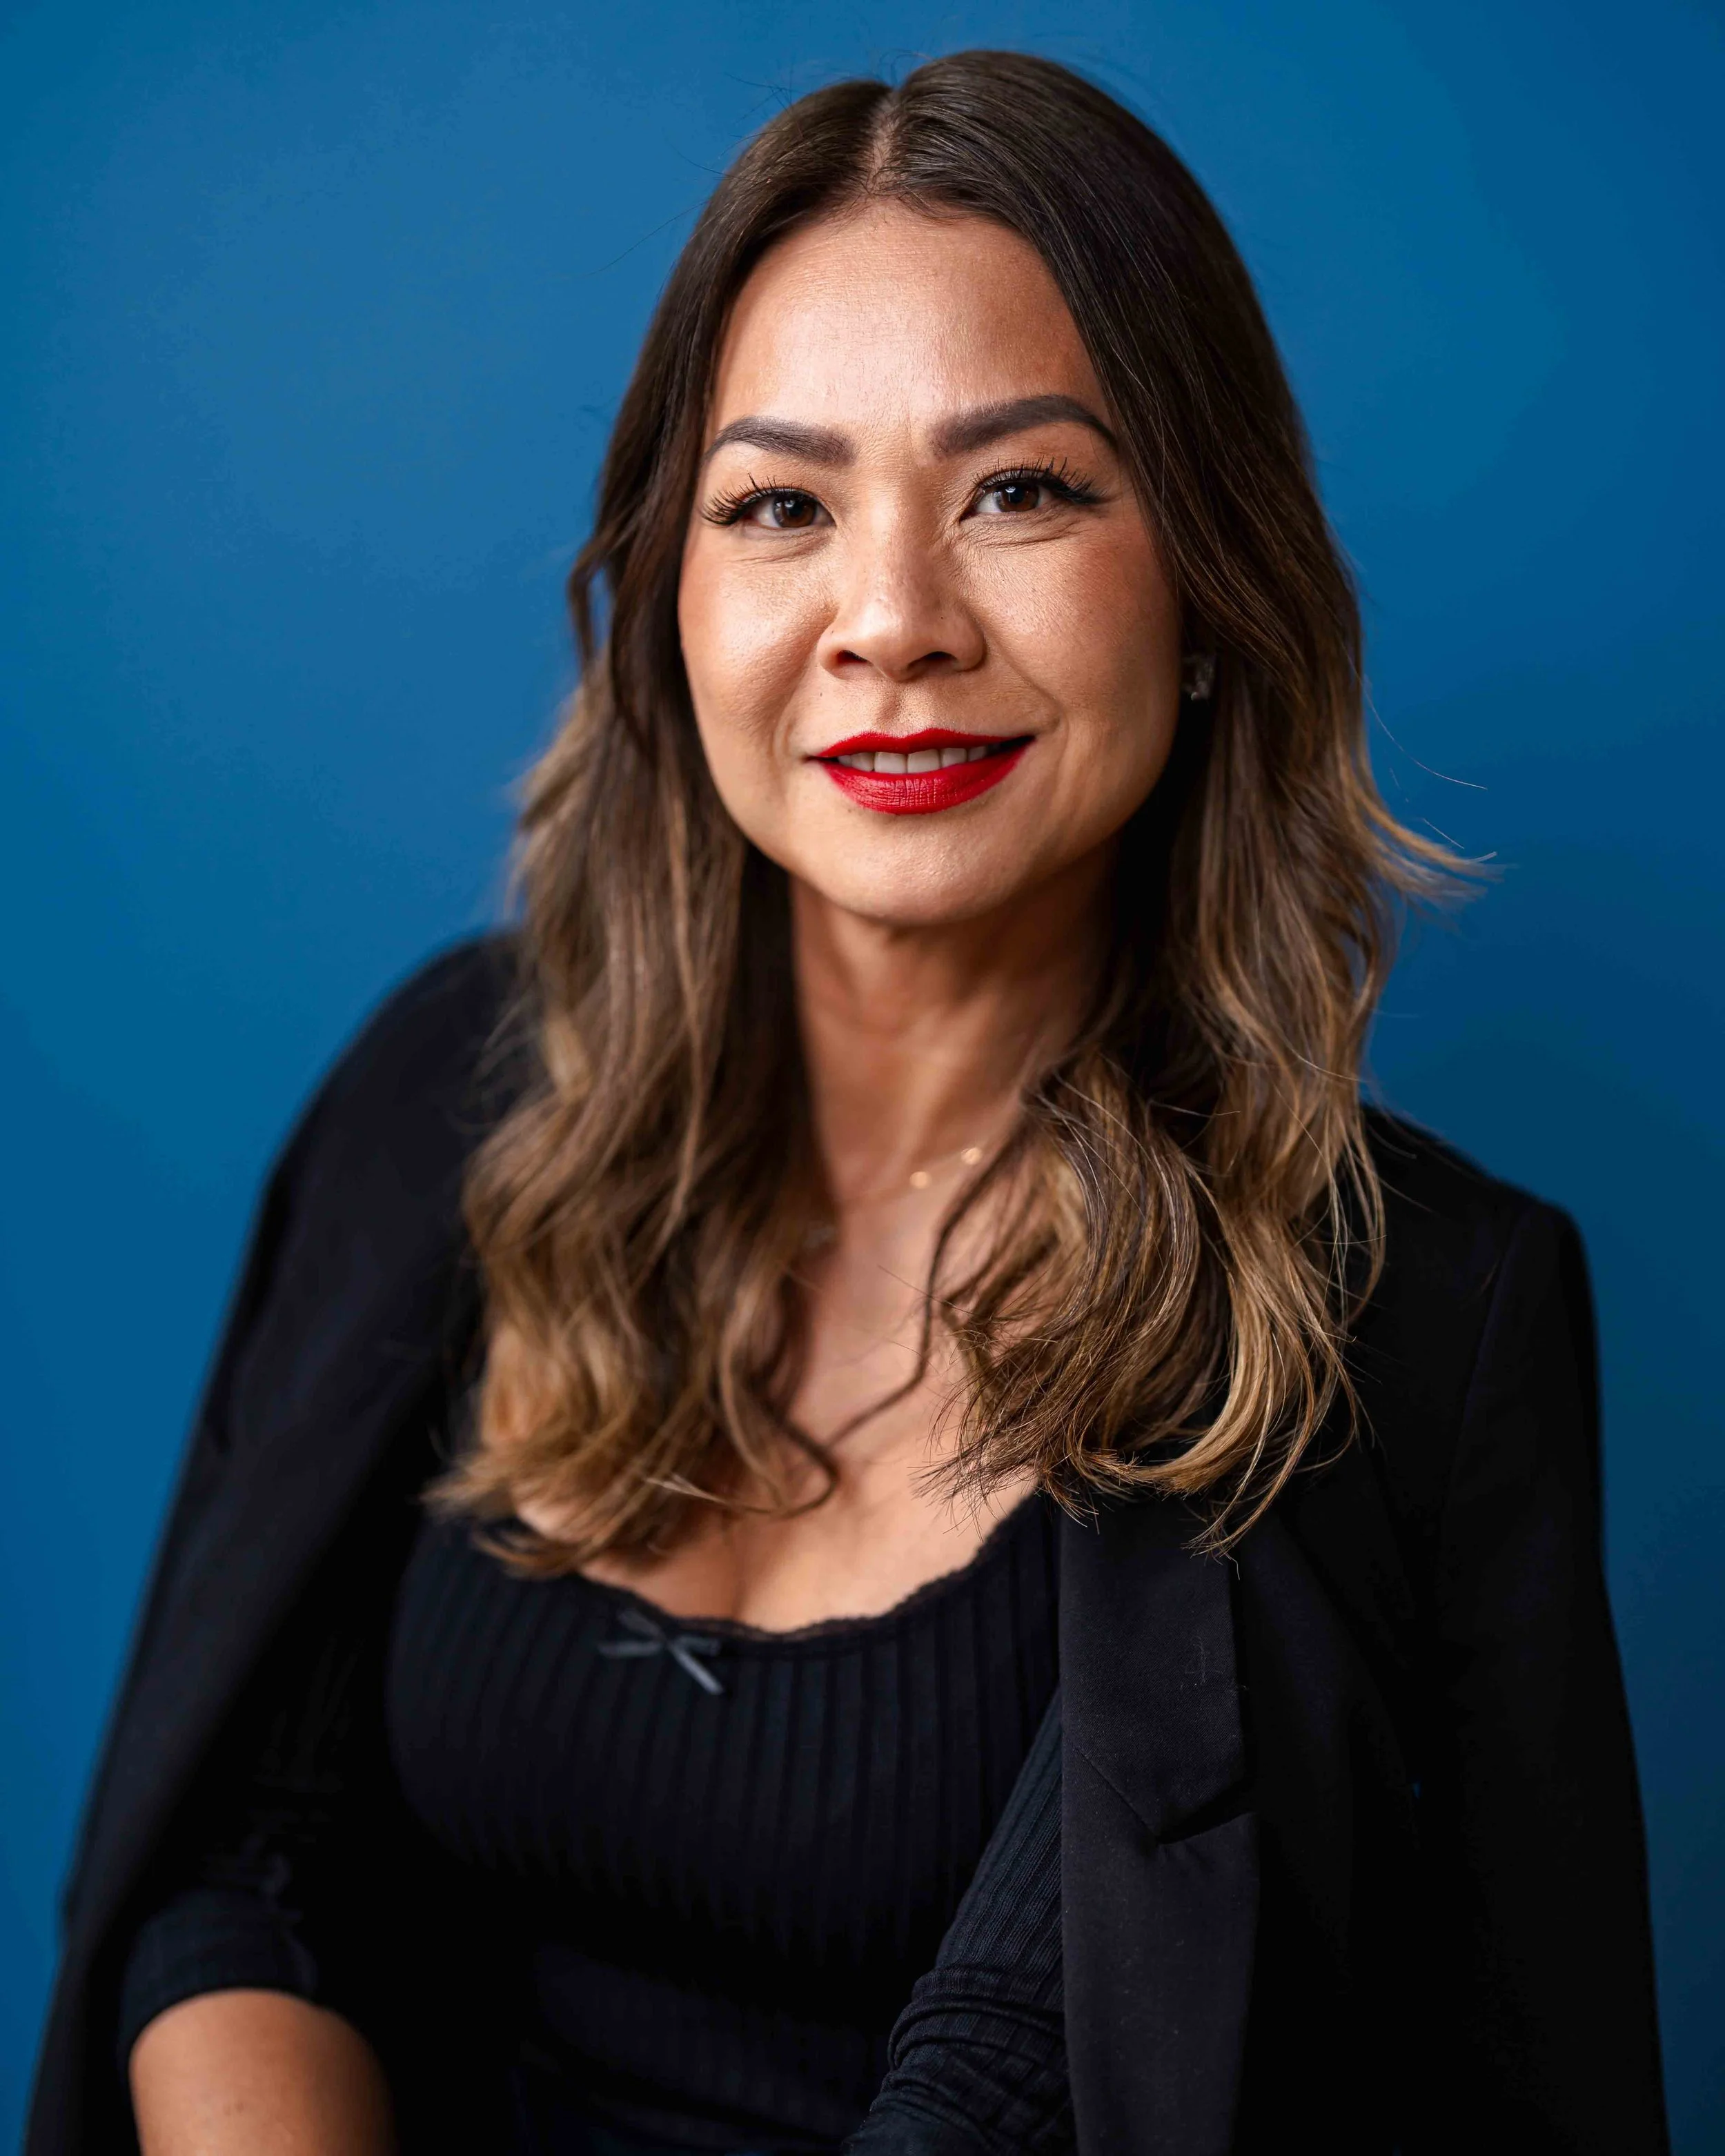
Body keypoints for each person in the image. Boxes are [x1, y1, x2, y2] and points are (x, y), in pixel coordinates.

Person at [28, 48, 1666, 2156]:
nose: (888, 619)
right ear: (668, 601)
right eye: (779, 504)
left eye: (1021, 490)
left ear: (1206, 589)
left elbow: (1518, 2091)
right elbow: (236, 1858)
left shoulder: (1414, 1319)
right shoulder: (444, 1093)